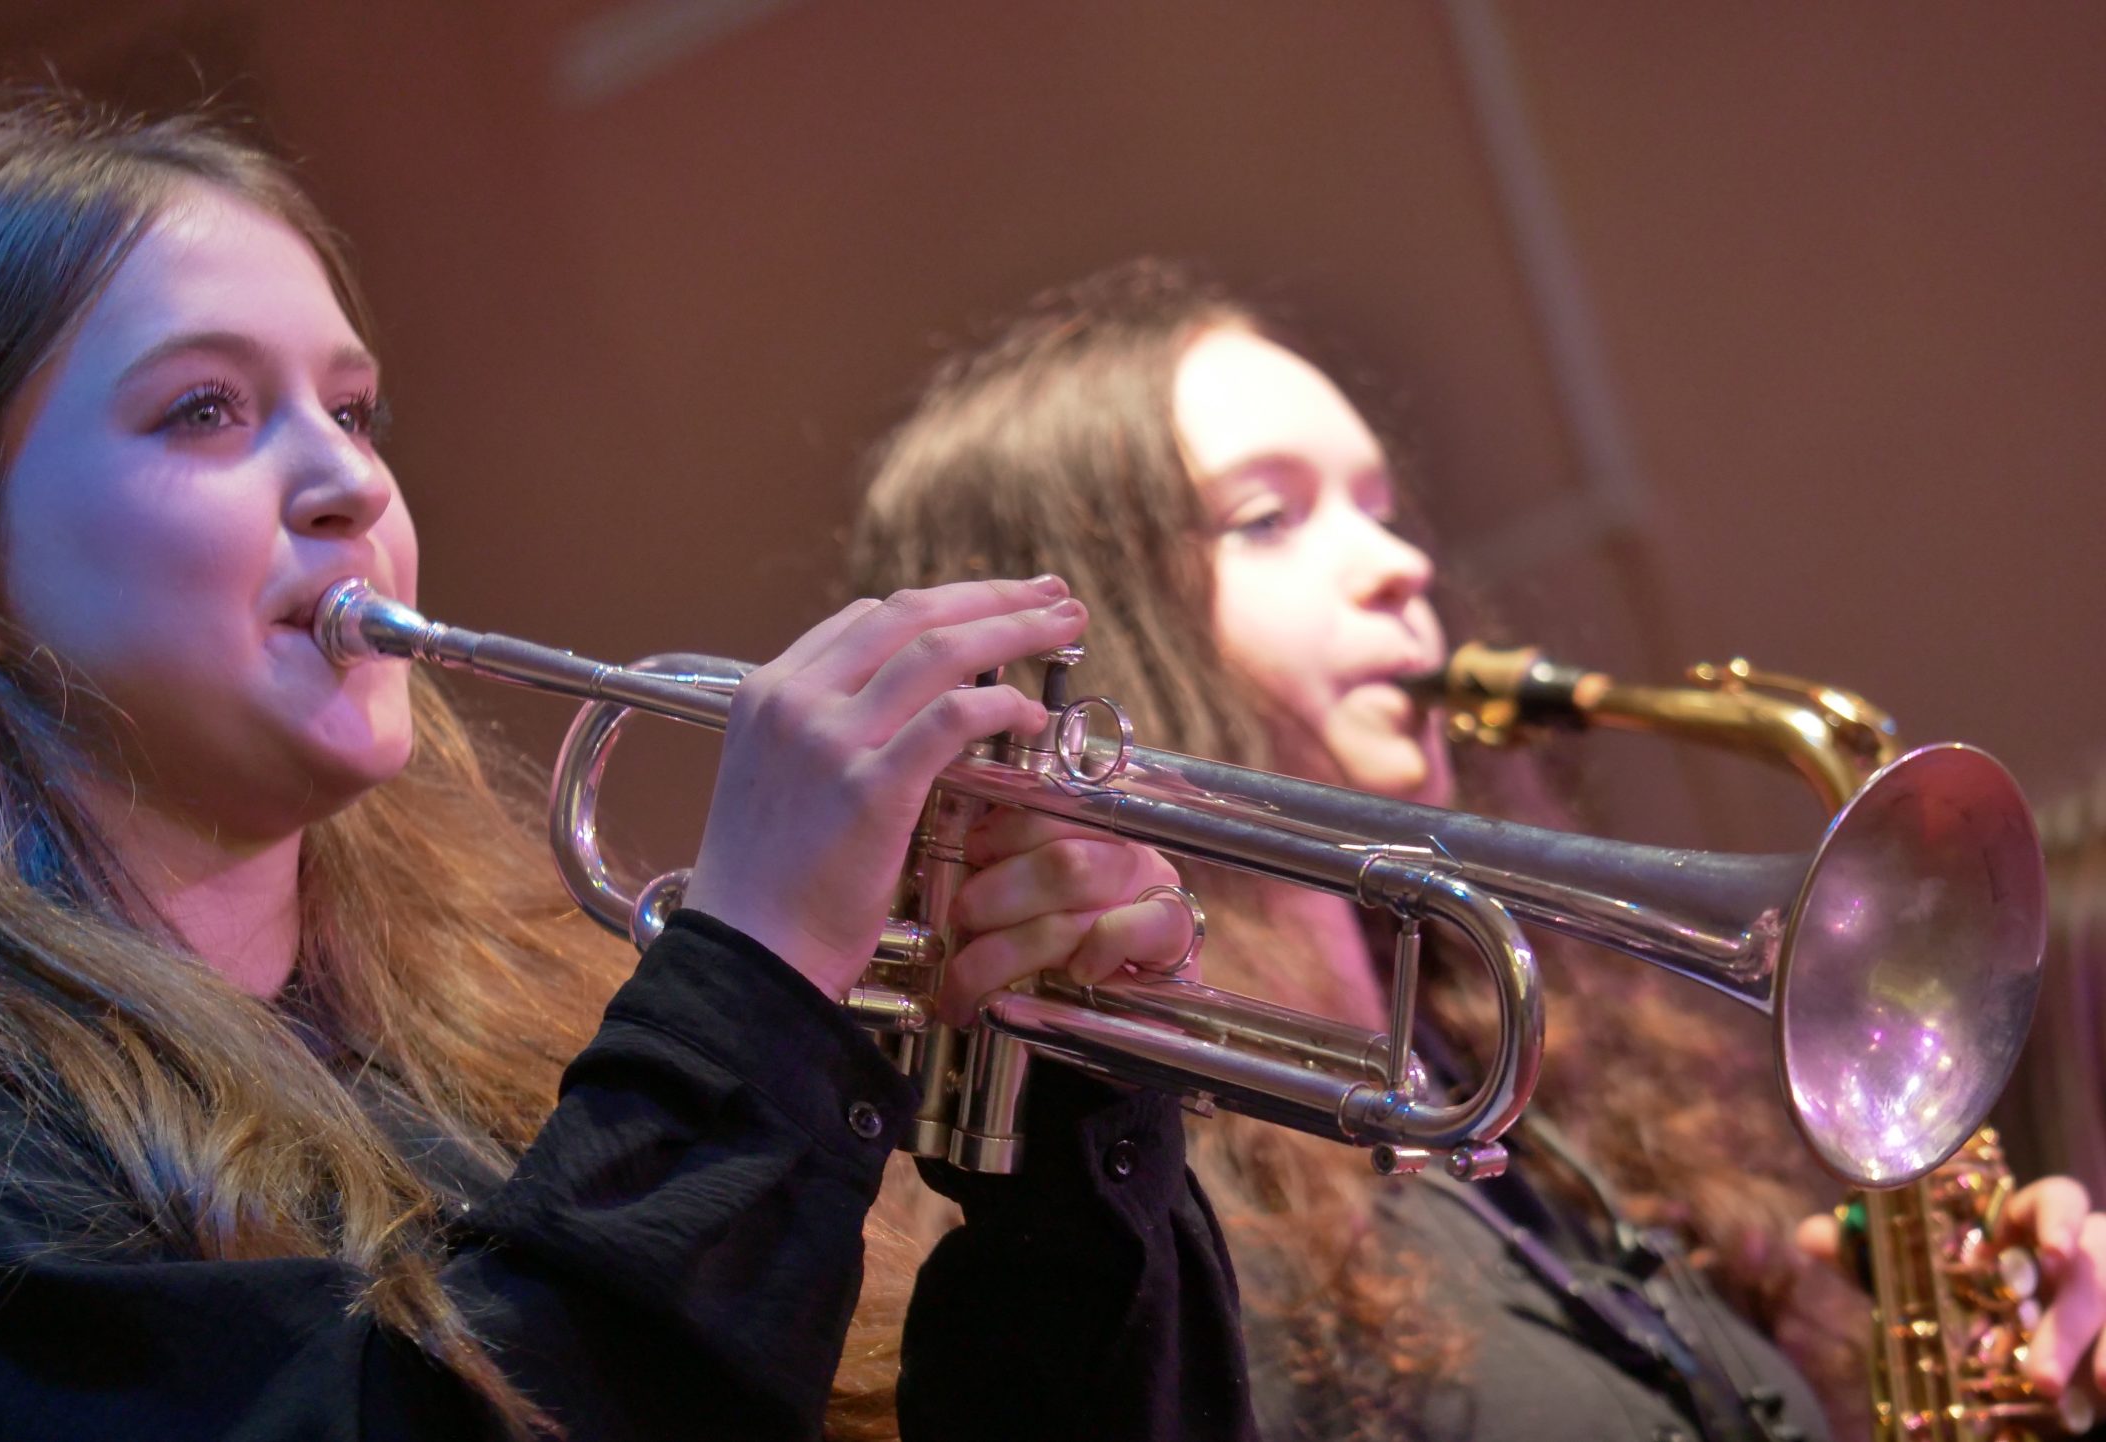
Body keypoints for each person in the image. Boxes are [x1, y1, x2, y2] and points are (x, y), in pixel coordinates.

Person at [0, 98, 1257, 1441]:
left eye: (353, 409)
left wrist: (1063, 1137)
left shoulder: (530, 1008)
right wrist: (757, 974)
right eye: (205, 408)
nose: (347, 479)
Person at [848, 260, 2106, 1441]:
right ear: (1086, 621)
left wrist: (1847, 1348)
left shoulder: (1517, 1084)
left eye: (1383, 510)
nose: (1401, 565)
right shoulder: (1120, 1218)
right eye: (1268, 517)